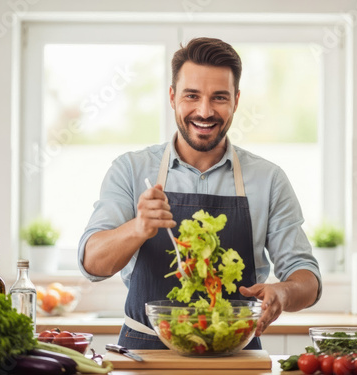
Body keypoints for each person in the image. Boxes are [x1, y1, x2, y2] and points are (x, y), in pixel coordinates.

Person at [78, 37, 321, 350]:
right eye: (192, 95)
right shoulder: (131, 169)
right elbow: (92, 264)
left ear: (236, 100)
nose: (204, 112)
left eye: (219, 98)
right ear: (172, 97)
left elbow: (308, 280)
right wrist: (137, 228)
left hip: (235, 354)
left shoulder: (268, 179)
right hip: (145, 353)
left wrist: (284, 293)